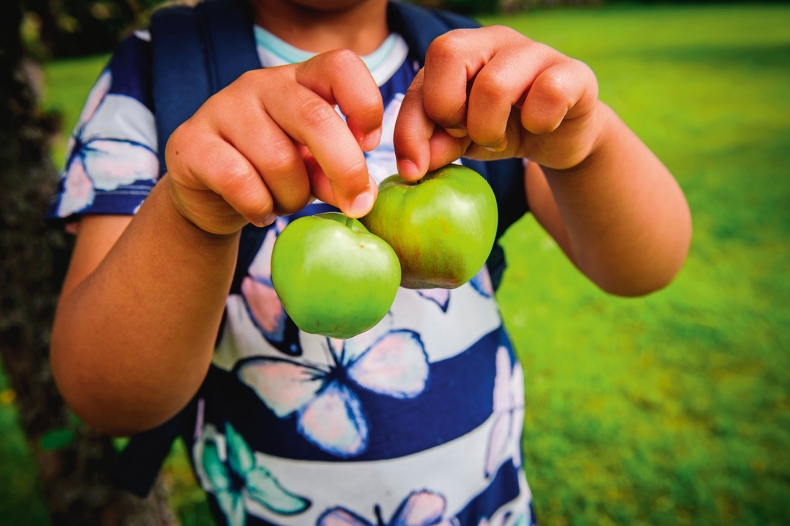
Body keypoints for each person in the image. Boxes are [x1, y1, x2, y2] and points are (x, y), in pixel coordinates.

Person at [46, 0, 692, 524]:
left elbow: (640, 268)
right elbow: (111, 400)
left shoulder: (484, 73)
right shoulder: (160, 71)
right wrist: (191, 214)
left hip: (488, 498)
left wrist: (587, 142)